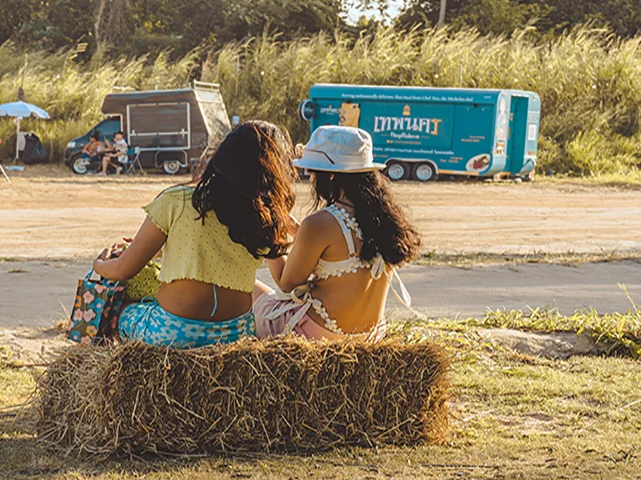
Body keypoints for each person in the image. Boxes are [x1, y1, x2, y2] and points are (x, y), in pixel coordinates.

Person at [91, 122, 294, 347]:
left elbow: (123, 270)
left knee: (120, 310)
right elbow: (284, 280)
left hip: (173, 333)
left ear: (222, 157)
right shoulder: (266, 217)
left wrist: (99, 265)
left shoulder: (177, 200)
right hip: (237, 334)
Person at [253, 125, 421, 341]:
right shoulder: (385, 219)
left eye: (312, 172)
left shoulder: (319, 224)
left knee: (249, 289)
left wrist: (270, 235)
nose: (311, 180)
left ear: (330, 175)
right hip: (370, 336)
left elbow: (286, 284)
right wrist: (299, 233)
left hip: (318, 335)